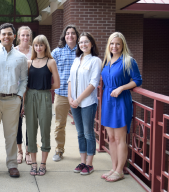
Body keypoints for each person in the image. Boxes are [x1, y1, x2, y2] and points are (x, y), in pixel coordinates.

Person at [0, 23, 28, 178]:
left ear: (14, 36)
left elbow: (24, 79)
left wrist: (20, 97)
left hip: (12, 100)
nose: (6, 36)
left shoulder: (21, 57)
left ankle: (12, 164)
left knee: (11, 135)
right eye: (4, 34)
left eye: (9, 34)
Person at [101, 32, 142, 182]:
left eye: (117, 43)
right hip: (107, 101)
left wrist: (121, 88)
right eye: (112, 43)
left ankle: (120, 171)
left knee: (120, 138)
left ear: (122, 45)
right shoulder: (107, 60)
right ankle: (113, 167)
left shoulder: (128, 61)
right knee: (111, 138)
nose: (114, 46)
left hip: (120, 101)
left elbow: (137, 80)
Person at [22, 35, 60, 176]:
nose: (38, 47)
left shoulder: (51, 62)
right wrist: (23, 104)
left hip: (44, 96)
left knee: (45, 129)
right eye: (36, 45)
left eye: (41, 45)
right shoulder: (29, 62)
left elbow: (57, 84)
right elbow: (25, 86)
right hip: (30, 96)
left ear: (45, 46)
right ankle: (33, 163)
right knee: (31, 130)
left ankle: (43, 163)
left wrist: (44, 86)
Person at [68, 32, 102, 175]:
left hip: (87, 102)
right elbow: (70, 80)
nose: (83, 44)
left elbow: (93, 84)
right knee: (80, 133)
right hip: (74, 102)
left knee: (89, 133)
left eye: (86, 42)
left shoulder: (95, 61)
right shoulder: (77, 59)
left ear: (92, 44)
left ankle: (89, 164)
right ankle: (82, 161)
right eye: (81, 42)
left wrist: (78, 99)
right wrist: (70, 97)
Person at [51, 24, 80, 162]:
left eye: (73, 33)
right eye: (68, 33)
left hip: (79, 95)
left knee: (81, 125)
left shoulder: (82, 51)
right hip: (61, 93)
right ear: (64, 36)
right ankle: (59, 150)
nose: (70, 35)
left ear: (77, 36)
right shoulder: (57, 52)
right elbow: (47, 68)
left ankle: (84, 153)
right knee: (59, 124)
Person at [15, 26, 33, 165]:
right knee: (17, 124)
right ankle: (19, 151)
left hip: (32, 91)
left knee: (31, 124)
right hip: (17, 92)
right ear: (18, 36)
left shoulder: (36, 50)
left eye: (27, 35)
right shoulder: (14, 51)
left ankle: (28, 151)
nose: (25, 37)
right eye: (23, 35)